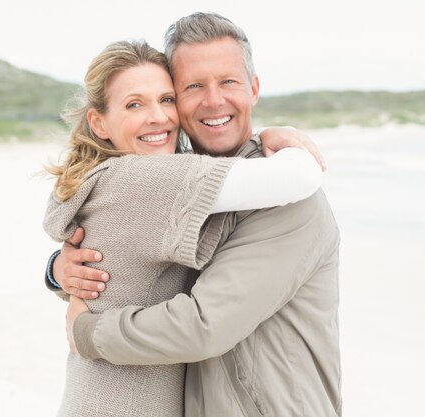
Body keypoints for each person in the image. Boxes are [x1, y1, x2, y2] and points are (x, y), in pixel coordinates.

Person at [53, 12, 342, 417]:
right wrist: (59, 268)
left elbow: (205, 325)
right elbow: (120, 248)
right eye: (192, 87)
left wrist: (87, 332)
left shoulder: (288, 203)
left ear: (253, 89)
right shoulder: (171, 187)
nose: (213, 100)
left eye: (228, 82)